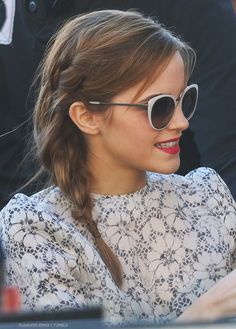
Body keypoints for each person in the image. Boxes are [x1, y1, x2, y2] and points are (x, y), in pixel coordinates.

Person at [0, 9, 236, 325]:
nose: (181, 122)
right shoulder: (34, 227)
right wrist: (200, 316)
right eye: (160, 107)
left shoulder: (207, 196)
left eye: (184, 100)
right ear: (86, 116)